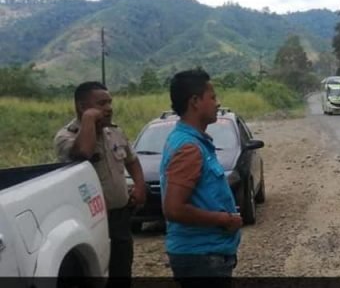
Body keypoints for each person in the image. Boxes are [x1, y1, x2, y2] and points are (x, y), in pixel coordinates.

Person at [54, 81, 146, 280]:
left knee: (122, 271)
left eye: (110, 103)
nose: (108, 109)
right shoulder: (66, 137)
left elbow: (132, 160)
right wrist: (88, 119)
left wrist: (140, 185)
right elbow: (83, 152)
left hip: (119, 216)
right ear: (82, 106)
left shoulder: (114, 132)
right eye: (101, 104)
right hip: (91, 220)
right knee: (95, 274)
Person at [159, 69, 242, 284]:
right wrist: (224, 219)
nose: (217, 103)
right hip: (201, 258)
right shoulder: (189, 147)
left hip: (204, 256)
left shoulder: (192, 141)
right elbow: (174, 208)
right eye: (212, 97)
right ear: (195, 101)